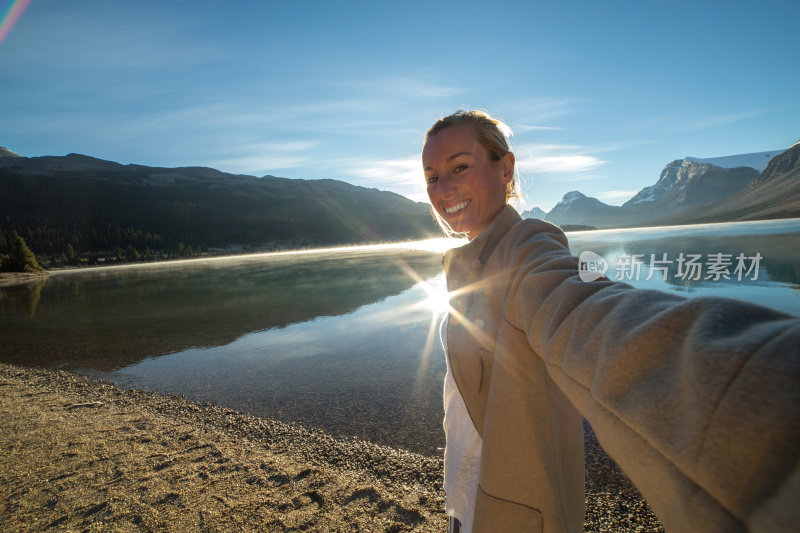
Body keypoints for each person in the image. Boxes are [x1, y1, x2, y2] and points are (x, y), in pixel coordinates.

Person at [422, 110, 800, 533]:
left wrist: (757, 383)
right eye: (433, 177)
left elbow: (581, 310)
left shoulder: (527, 249)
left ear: (505, 168)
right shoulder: (471, 261)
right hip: (463, 495)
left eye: (460, 167)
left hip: (511, 508)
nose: (444, 189)